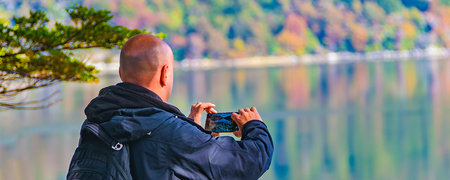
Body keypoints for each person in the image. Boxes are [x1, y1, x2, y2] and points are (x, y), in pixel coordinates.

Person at [67, 33, 273, 179]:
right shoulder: (171, 133)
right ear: (165, 73)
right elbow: (247, 163)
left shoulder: (99, 121)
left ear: (121, 73)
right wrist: (254, 126)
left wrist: (192, 129)